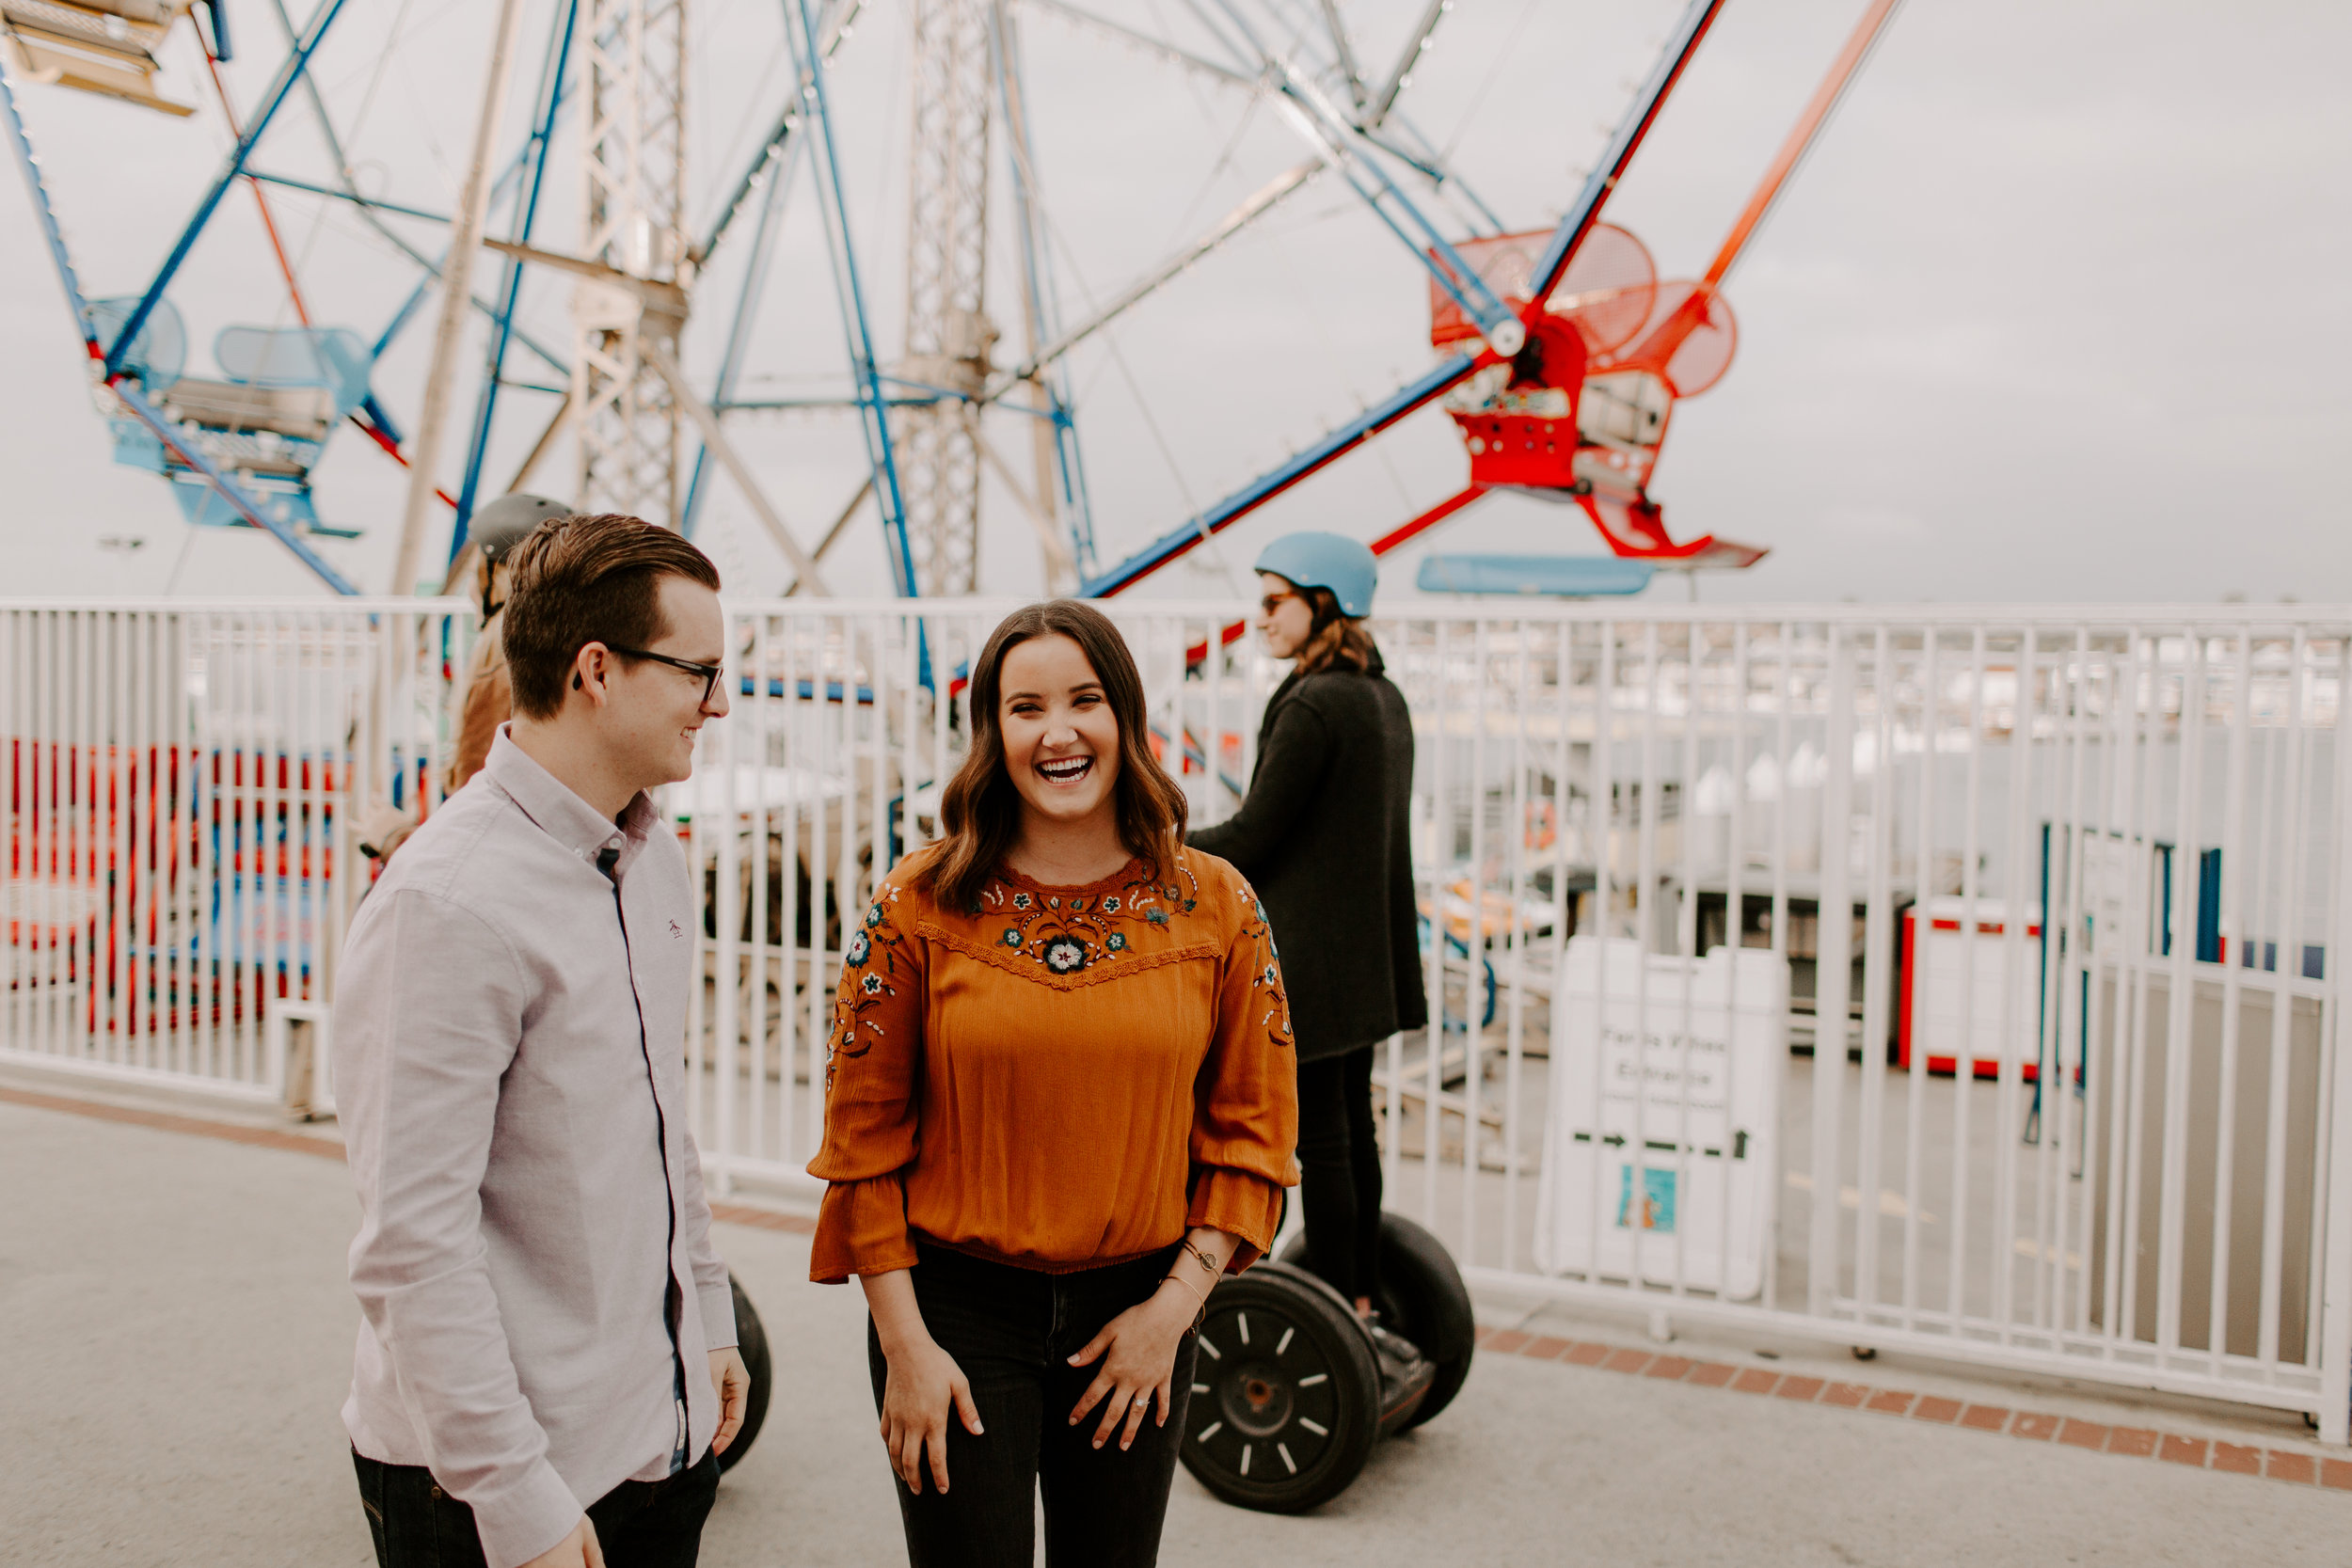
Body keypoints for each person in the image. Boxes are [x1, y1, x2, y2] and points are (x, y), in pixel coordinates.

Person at [807, 599, 1297, 1568]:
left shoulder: (1218, 904)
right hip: (951, 1317)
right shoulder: (916, 902)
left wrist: (1171, 1312)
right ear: (994, 733)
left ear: (1125, 715)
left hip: (1144, 1309)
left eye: (1084, 699)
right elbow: (861, 1139)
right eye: (1025, 706)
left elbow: (1252, 1133)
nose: (1058, 730)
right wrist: (903, 1346)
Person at [334, 513, 751, 1568]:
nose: (722, 700)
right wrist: (515, 1493)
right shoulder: (448, 903)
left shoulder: (653, 857)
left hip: (654, 1434)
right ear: (596, 669)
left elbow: (662, 1122)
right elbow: (413, 1241)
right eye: (699, 670)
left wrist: (706, 1321)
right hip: (494, 1480)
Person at [1187, 532, 1427, 1343]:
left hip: (1313, 960)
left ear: (1320, 602)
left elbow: (1256, 834)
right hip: (1367, 956)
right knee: (1351, 1131)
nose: (1259, 617)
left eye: (1273, 599)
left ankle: (1338, 1307)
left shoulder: (1313, 700)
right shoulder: (1379, 695)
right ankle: (1359, 1294)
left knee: (1320, 1140)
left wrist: (1159, 847)